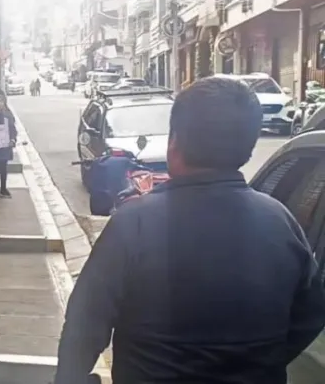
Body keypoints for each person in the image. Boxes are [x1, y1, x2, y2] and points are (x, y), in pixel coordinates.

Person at [55, 77, 325, 384]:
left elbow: (85, 325)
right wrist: (261, 359)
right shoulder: (281, 222)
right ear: (248, 148)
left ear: (175, 142)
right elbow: (311, 313)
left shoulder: (133, 225)